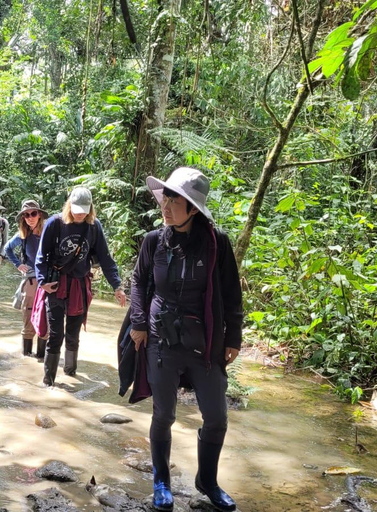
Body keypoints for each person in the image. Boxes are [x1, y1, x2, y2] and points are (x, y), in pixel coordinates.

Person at [128, 167, 243, 511]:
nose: (165, 204)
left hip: (205, 343)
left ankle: (207, 480)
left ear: (193, 208)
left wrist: (233, 337)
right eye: (165, 196)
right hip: (162, 341)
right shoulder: (154, 241)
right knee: (163, 415)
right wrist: (139, 323)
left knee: (216, 416)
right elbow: (138, 281)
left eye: (174, 198)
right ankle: (161, 481)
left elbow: (231, 293)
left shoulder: (216, 243)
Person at [35, 187, 127, 386]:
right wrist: (43, 283)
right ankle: (48, 381)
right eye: (76, 210)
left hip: (79, 285)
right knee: (55, 334)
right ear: (69, 206)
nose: (80, 214)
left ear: (90, 208)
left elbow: (105, 258)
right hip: (56, 284)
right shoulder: (54, 224)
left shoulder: (94, 227)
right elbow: (41, 257)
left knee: (73, 334)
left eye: (84, 210)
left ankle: (70, 372)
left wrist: (117, 287)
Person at [3, 200, 49, 358]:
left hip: (48, 282)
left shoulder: (48, 232)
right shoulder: (23, 235)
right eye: (26, 215)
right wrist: (18, 265)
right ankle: (26, 357)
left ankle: (41, 358)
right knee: (28, 320)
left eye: (33, 213)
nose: (30, 217)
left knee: (45, 321)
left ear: (39, 215)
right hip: (30, 280)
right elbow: (7, 248)